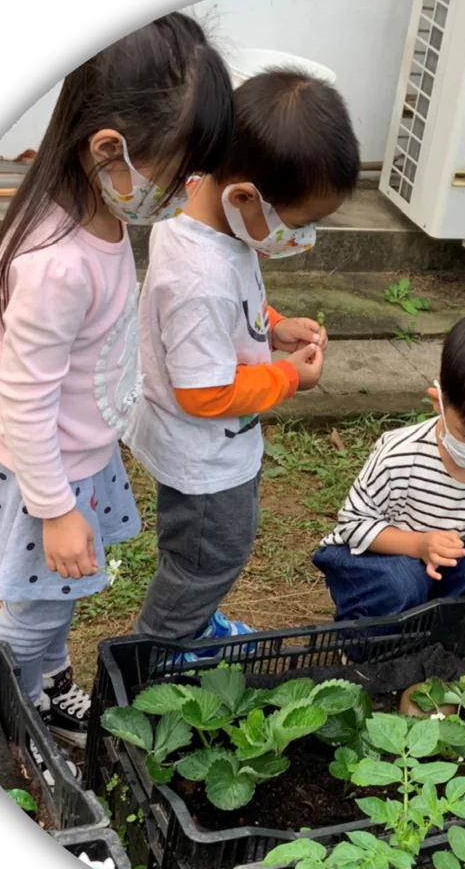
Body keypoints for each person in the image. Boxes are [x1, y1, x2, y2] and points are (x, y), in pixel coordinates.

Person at [0, 14, 234, 761]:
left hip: (72, 457)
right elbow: (25, 397)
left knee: (55, 599)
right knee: (28, 611)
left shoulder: (98, 209)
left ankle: (45, 679)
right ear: (108, 149)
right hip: (40, 471)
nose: (186, 190)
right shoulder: (56, 263)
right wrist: (55, 509)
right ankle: (2, 715)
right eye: (180, 172)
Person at [124, 69, 360, 659]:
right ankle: (154, 657)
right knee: (209, 557)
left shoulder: (208, 223)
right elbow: (203, 394)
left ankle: (191, 625)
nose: (303, 237)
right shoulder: (200, 278)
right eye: (301, 223)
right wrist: (289, 378)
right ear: (244, 197)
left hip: (218, 446)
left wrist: (273, 326)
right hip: (203, 454)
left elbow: (232, 311)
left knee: (201, 553)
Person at [313, 313, 465, 620]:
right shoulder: (400, 455)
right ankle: (363, 644)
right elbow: (354, 525)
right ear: (439, 402)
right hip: (374, 558)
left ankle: (441, 637)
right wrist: (418, 544)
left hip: (445, 560)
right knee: (402, 581)